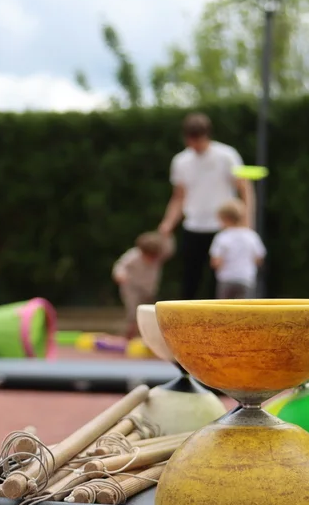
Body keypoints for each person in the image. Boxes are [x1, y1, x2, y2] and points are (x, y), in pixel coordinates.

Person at [158, 113, 254, 300]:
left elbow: (244, 189)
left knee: (220, 280)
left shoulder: (227, 155)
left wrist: (246, 220)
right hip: (193, 226)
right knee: (190, 278)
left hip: (222, 227)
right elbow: (179, 197)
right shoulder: (181, 161)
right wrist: (167, 223)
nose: (195, 144)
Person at [112, 231, 175, 339]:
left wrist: (167, 235)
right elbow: (121, 265)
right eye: (149, 256)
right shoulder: (133, 256)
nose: (151, 259)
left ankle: (148, 337)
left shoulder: (158, 256)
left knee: (150, 312)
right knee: (133, 312)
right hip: (132, 287)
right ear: (142, 251)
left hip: (148, 290)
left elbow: (169, 250)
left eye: (154, 256)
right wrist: (120, 274)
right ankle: (129, 335)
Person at [210, 199, 266, 299]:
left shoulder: (222, 237)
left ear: (226, 219)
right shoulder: (251, 236)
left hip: (226, 278)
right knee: (245, 307)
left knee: (224, 307)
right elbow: (259, 259)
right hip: (246, 278)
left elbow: (216, 262)